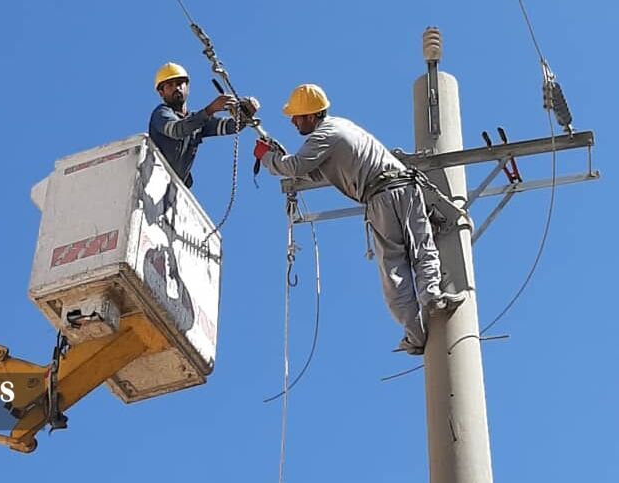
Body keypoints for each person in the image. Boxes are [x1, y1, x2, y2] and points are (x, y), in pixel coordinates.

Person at [253, 84, 465, 355]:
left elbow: (297, 167)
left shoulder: (324, 135)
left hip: (381, 196)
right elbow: (314, 172)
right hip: (405, 185)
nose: (293, 122)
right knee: (422, 247)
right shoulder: (342, 127)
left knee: (394, 266)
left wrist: (267, 157)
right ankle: (432, 296)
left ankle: (415, 334)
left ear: (310, 115)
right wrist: (279, 159)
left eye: (296, 116)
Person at [149, 62, 258, 188]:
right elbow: (177, 130)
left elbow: (229, 126)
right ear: (161, 93)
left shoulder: (196, 121)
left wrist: (245, 114)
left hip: (175, 188)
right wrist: (210, 109)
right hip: (155, 183)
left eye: (179, 83)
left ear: (187, 87)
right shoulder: (161, 113)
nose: (176, 88)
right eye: (170, 85)